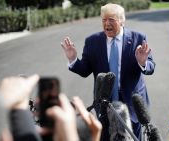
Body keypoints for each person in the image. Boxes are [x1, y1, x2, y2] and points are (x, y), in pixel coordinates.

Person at [61, 3, 156, 140]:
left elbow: (151, 67)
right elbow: (85, 70)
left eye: (111, 19)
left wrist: (142, 62)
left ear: (122, 21)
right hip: (104, 104)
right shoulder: (92, 41)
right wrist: (73, 59)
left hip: (132, 105)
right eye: (104, 20)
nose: (107, 24)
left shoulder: (138, 38)